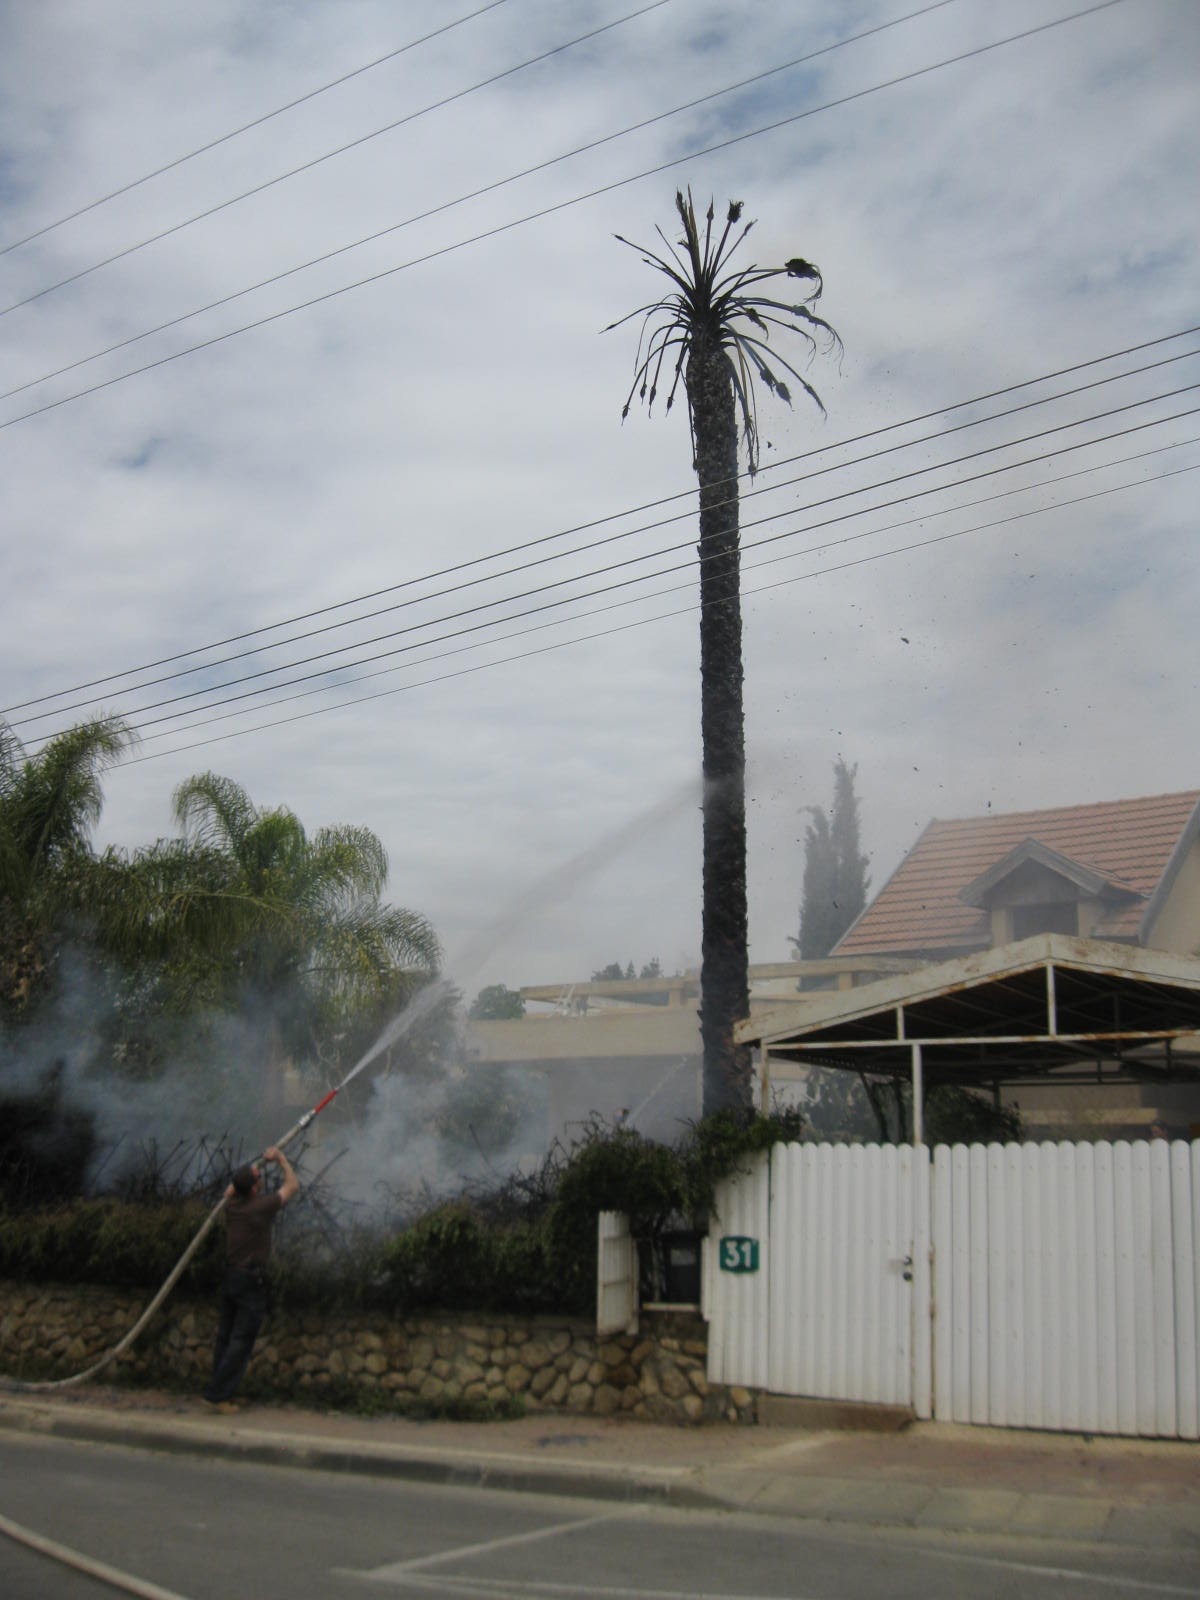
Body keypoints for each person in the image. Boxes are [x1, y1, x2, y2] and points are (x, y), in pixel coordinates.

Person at [203, 1145, 299, 1412]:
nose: (261, 1180)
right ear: (255, 1189)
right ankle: (219, 1396)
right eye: (258, 1179)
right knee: (241, 1341)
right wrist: (280, 1159)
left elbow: (230, 1192)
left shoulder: (232, 1207)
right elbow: (292, 1186)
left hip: (232, 1276)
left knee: (225, 1337)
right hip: (248, 1282)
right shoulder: (259, 1207)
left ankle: (221, 1391)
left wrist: (254, 1171)